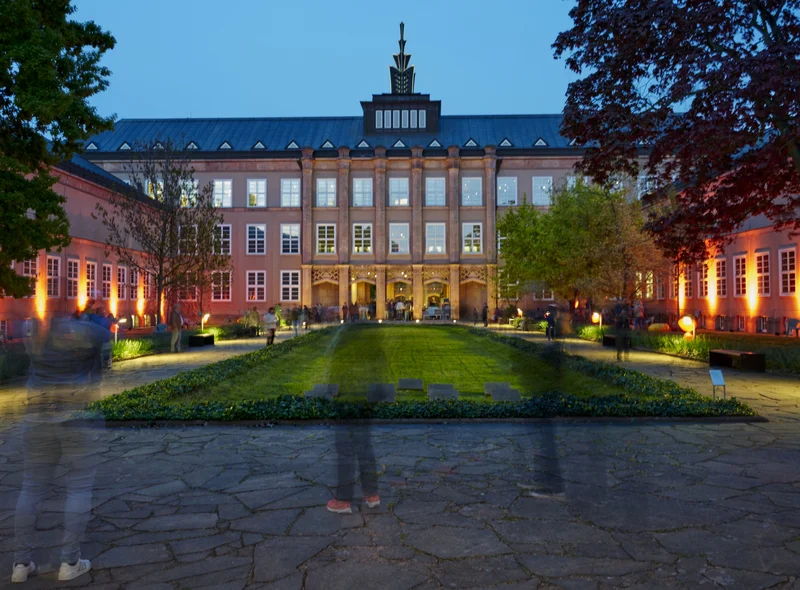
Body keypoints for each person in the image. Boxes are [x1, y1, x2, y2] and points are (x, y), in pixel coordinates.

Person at [12, 314, 110, 583]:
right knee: (78, 487)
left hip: (36, 415)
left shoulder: (34, 329)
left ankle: (20, 564)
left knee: (31, 487)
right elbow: (101, 368)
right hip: (76, 415)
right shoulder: (89, 331)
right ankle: (69, 562)